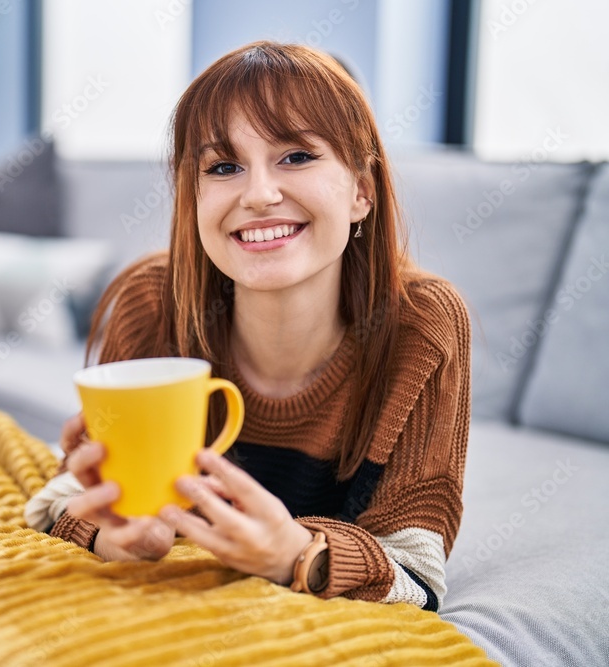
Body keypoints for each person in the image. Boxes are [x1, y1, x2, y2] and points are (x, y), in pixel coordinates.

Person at [24, 41, 470, 611]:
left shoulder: (423, 325)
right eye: (224, 167)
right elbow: (62, 499)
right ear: (195, 196)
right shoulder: (153, 302)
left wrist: (295, 555)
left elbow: (417, 571)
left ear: (361, 190)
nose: (258, 195)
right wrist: (119, 539)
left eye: (297, 156)